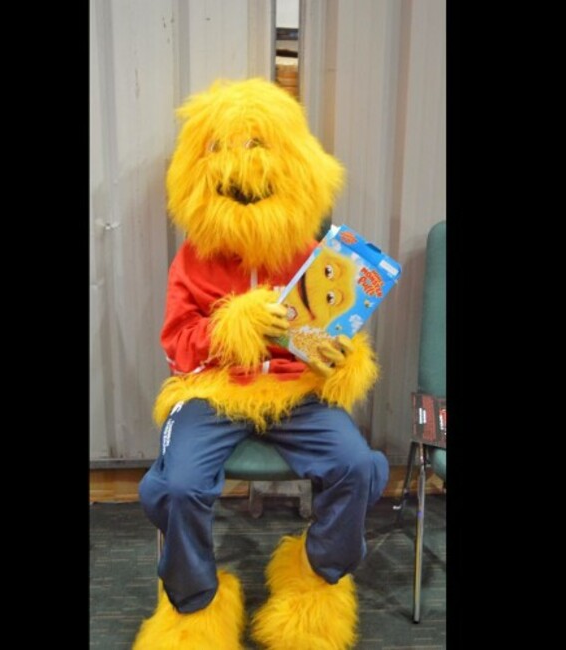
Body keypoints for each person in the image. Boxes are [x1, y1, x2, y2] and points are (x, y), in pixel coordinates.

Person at [132, 78, 389, 650]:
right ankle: (194, 603)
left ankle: (316, 577)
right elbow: (177, 342)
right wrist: (233, 325)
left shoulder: (313, 255)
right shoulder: (194, 257)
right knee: (176, 487)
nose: (243, 171)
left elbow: (333, 328)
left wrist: (343, 356)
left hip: (297, 393)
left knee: (358, 465)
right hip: (213, 391)